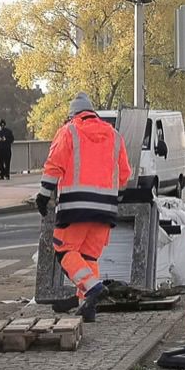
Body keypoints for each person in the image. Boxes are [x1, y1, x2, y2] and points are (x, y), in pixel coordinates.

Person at [35, 93, 131, 322]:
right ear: (92, 112)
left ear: (72, 115)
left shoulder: (69, 131)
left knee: (64, 249)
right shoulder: (114, 135)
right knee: (88, 257)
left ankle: (93, 289)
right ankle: (86, 306)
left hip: (75, 205)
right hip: (105, 209)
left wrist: (43, 194)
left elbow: (54, 165)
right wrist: (115, 199)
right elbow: (125, 174)